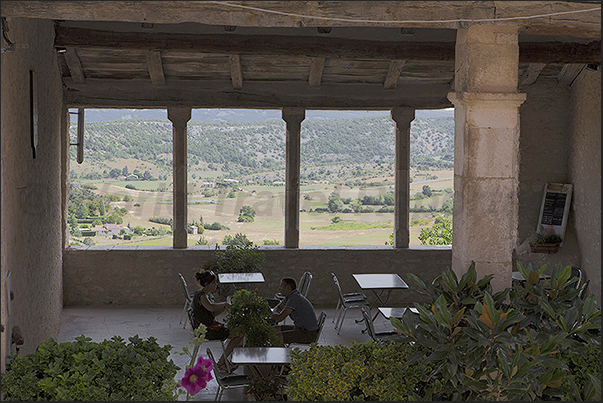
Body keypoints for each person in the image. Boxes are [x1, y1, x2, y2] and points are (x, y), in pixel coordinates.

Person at [192, 270, 242, 372]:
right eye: (214, 283)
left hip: (206, 327)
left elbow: (212, 314)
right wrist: (224, 303)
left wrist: (224, 307)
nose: (216, 285)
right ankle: (221, 362)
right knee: (239, 334)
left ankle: (224, 361)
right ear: (206, 284)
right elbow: (211, 307)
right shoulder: (202, 296)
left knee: (235, 331)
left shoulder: (204, 295)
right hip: (206, 331)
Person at [271, 277, 319, 344]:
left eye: (281, 287)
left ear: (288, 288)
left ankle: (281, 353)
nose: (279, 289)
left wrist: (269, 312)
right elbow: (280, 306)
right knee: (273, 329)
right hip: (300, 328)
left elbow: (279, 318)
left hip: (308, 334)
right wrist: (275, 312)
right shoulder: (290, 295)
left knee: (276, 337)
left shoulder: (294, 298)